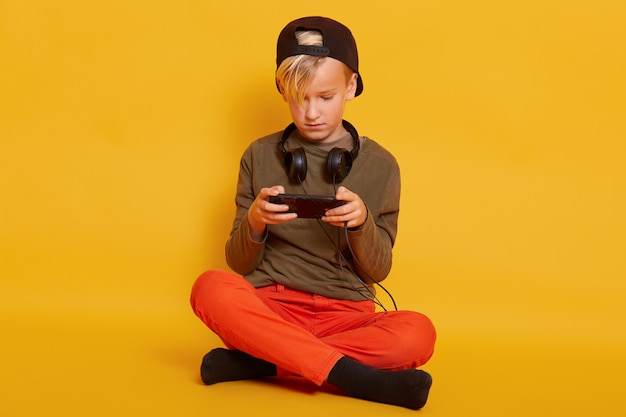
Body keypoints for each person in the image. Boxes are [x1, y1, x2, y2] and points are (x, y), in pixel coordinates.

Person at [190, 16, 436, 410]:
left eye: (325, 96)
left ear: (351, 86)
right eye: (299, 97)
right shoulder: (258, 155)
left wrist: (361, 225)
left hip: (347, 315)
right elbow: (237, 262)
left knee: (418, 333)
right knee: (209, 287)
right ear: (281, 89)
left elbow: (379, 271)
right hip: (272, 308)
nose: (311, 112)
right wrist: (254, 222)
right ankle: (350, 376)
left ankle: (268, 362)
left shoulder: (383, 166)